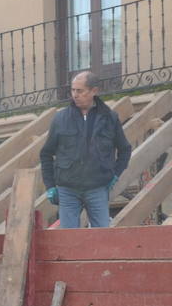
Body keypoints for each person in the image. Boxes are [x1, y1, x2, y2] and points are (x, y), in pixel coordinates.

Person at [40, 70, 132, 229]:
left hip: (97, 187)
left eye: (80, 91)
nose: (75, 95)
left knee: (101, 236)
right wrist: (50, 186)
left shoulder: (110, 118)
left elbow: (125, 149)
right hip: (67, 189)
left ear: (94, 91)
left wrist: (115, 174)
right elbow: (46, 154)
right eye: (73, 90)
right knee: (68, 239)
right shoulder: (60, 119)